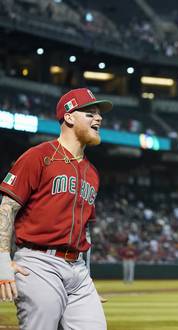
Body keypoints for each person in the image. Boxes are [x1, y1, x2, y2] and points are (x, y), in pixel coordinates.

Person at [0, 88, 112, 329]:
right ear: (69, 117)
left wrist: (88, 277)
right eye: (90, 113)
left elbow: (85, 231)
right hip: (38, 262)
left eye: (99, 114)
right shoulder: (39, 156)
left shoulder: (92, 173)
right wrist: (1, 261)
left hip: (77, 269)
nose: (99, 118)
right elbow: (6, 208)